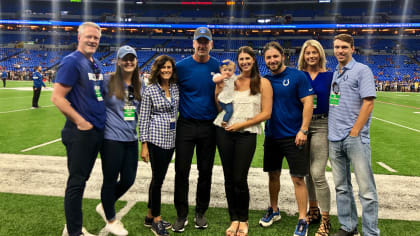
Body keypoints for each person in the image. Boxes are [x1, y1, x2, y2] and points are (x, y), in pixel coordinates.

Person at [51, 22, 105, 236]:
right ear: (79, 37)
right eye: (89, 36)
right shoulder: (72, 62)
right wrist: (80, 121)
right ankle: (73, 231)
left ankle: (72, 226)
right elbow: (57, 97)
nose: (93, 40)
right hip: (80, 133)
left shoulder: (94, 62)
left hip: (94, 132)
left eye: (96, 38)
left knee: (81, 180)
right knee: (76, 183)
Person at [214, 46, 272, 236]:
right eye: (241, 59)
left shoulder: (263, 83)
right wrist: (218, 90)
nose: (244, 62)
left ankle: (244, 219)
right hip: (224, 132)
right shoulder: (232, 81)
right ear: (237, 62)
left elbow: (266, 113)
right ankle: (234, 219)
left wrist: (242, 125)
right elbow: (220, 106)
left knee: (240, 178)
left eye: (248, 58)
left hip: (246, 134)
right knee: (229, 179)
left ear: (254, 60)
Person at [260, 41, 314, 236]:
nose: (272, 60)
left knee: (298, 178)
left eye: (275, 56)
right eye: (268, 57)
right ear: (264, 60)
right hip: (272, 136)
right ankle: (274, 210)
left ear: (282, 56)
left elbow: (308, 103)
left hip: (294, 136)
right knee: (273, 175)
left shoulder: (297, 76)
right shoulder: (264, 80)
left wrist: (304, 130)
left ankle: (302, 218)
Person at [329, 34, 379, 236]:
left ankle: (370, 232)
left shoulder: (362, 70)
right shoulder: (336, 72)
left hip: (354, 138)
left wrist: (355, 131)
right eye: (336, 47)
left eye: (343, 47)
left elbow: (368, 102)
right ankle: (348, 226)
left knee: (366, 190)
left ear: (352, 49)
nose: (340, 51)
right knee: (342, 187)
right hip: (334, 138)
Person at [172, 27, 220, 233]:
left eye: (205, 41)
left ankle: (200, 212)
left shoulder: (218, 66)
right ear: (193, 43)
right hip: (186, 125)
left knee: (205, 171)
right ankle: (181, 214)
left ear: (211, 44)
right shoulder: (181, 67)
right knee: (181, 170)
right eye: (198, 41)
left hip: (209, 126)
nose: (202, 45)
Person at [95, 45, 142, 236]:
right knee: (110, 179)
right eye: (125, 58)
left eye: (132, 58)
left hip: (131, 138)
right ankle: (112, 219)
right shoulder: (108, 81)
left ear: (136, 61)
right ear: (119, 61)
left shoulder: (140, 84)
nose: (129, 61)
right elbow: (93, 98)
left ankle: (105, 205)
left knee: (129, 179)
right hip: (111, 139)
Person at [139, 55, 179, 236]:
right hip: (155, 140)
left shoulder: (175, 88)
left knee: (158, 178)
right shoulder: (150, 90)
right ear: (157, 69)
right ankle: (156, 219)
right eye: (163, 68)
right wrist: (144, 145)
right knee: (157, 180)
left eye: (169, 67)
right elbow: (144, 118)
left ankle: (149, 216)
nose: (166, 70)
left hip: (171, 140)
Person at [297, 39, 333, 236]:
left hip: (322, 124)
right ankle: (313, 210)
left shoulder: (329, 76)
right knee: (307, 173)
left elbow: (335, 101)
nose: (311, 56)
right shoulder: (299, 76)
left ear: (320, 54)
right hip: (303, 126)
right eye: (307, 53)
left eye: (314, 52)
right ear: (303, 55)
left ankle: (326, 220)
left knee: (317, 172)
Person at [212, 59, 237, 127]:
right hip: (223, 98)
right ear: (221, 70)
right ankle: (224, 121)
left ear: (233, 71)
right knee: (230, 110)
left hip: (231, 98)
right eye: (225, 70)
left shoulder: (233, 77)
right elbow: (215, 80)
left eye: (230, 70)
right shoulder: (219, 76)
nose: (227, 72)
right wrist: (223, 77)